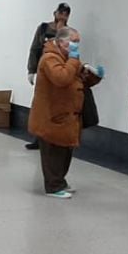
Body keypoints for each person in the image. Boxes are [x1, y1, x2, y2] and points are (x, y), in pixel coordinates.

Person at [28, 26, 103, 198]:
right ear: (61, 42)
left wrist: (94, 75)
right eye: (73, 42)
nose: (76, 46)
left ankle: (60, 181)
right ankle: (53, 186)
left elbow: (78, 79)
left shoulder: (68, 58)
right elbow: (62, 78)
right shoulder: (49, 59)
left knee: (64, 151)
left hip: (67, 116)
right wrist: (74, 61)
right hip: (50, 116)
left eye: (78, 42)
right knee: (52, 153)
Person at [25, 3, 72, 150]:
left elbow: (70, 53)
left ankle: (54, 138)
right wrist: (31, 70)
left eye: (66, 14)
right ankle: (38, 138)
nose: (62, 16)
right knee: (41, 106)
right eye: (61, 13)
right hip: (44, 72)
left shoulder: (69, 33)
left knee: (57, 106)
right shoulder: (44, 28)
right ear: (55, 12)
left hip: (59, 73)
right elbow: (35, 49)